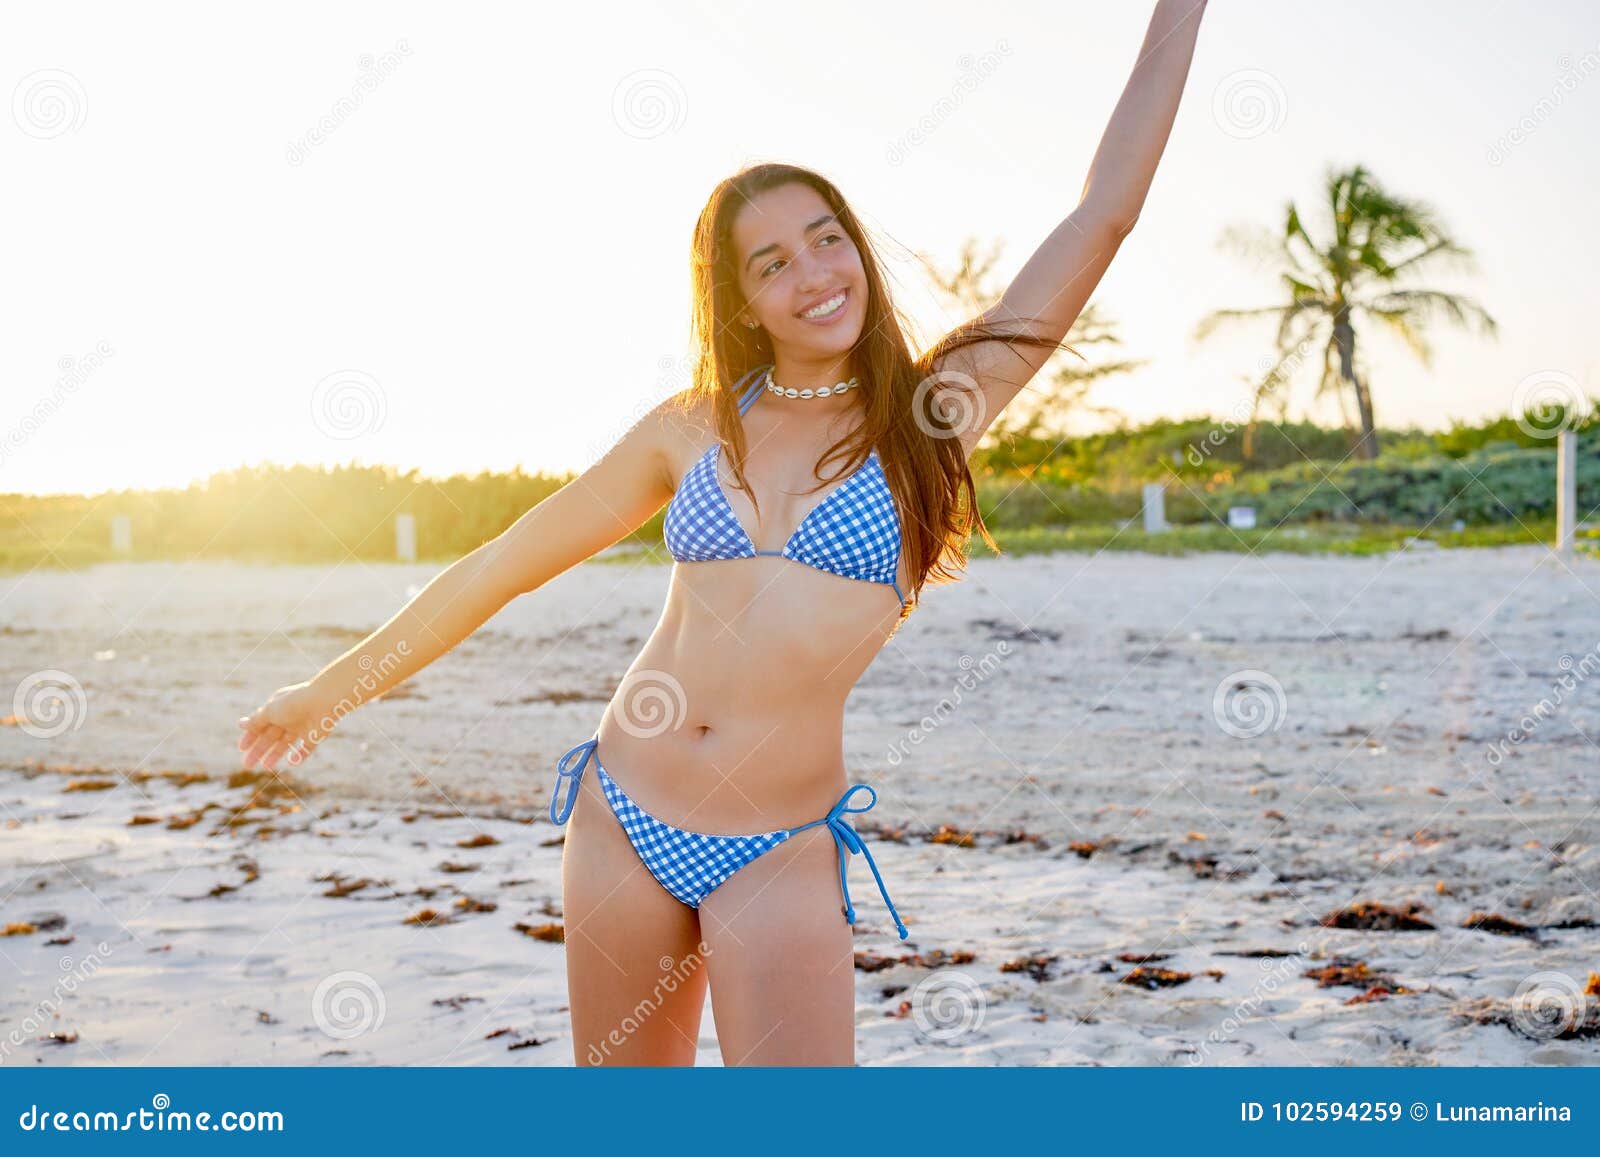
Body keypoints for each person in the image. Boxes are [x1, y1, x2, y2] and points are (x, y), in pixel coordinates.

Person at [237, 0, 1207, 1066]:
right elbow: (500, 567)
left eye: (827, 240)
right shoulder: (688, 427)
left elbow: (1102, 213)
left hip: (779, 842)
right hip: (623, 807)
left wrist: (1179, 12)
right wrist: (328, 690)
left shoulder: (933, 415)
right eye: (774, 262)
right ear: (742, 299)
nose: (815, 274)